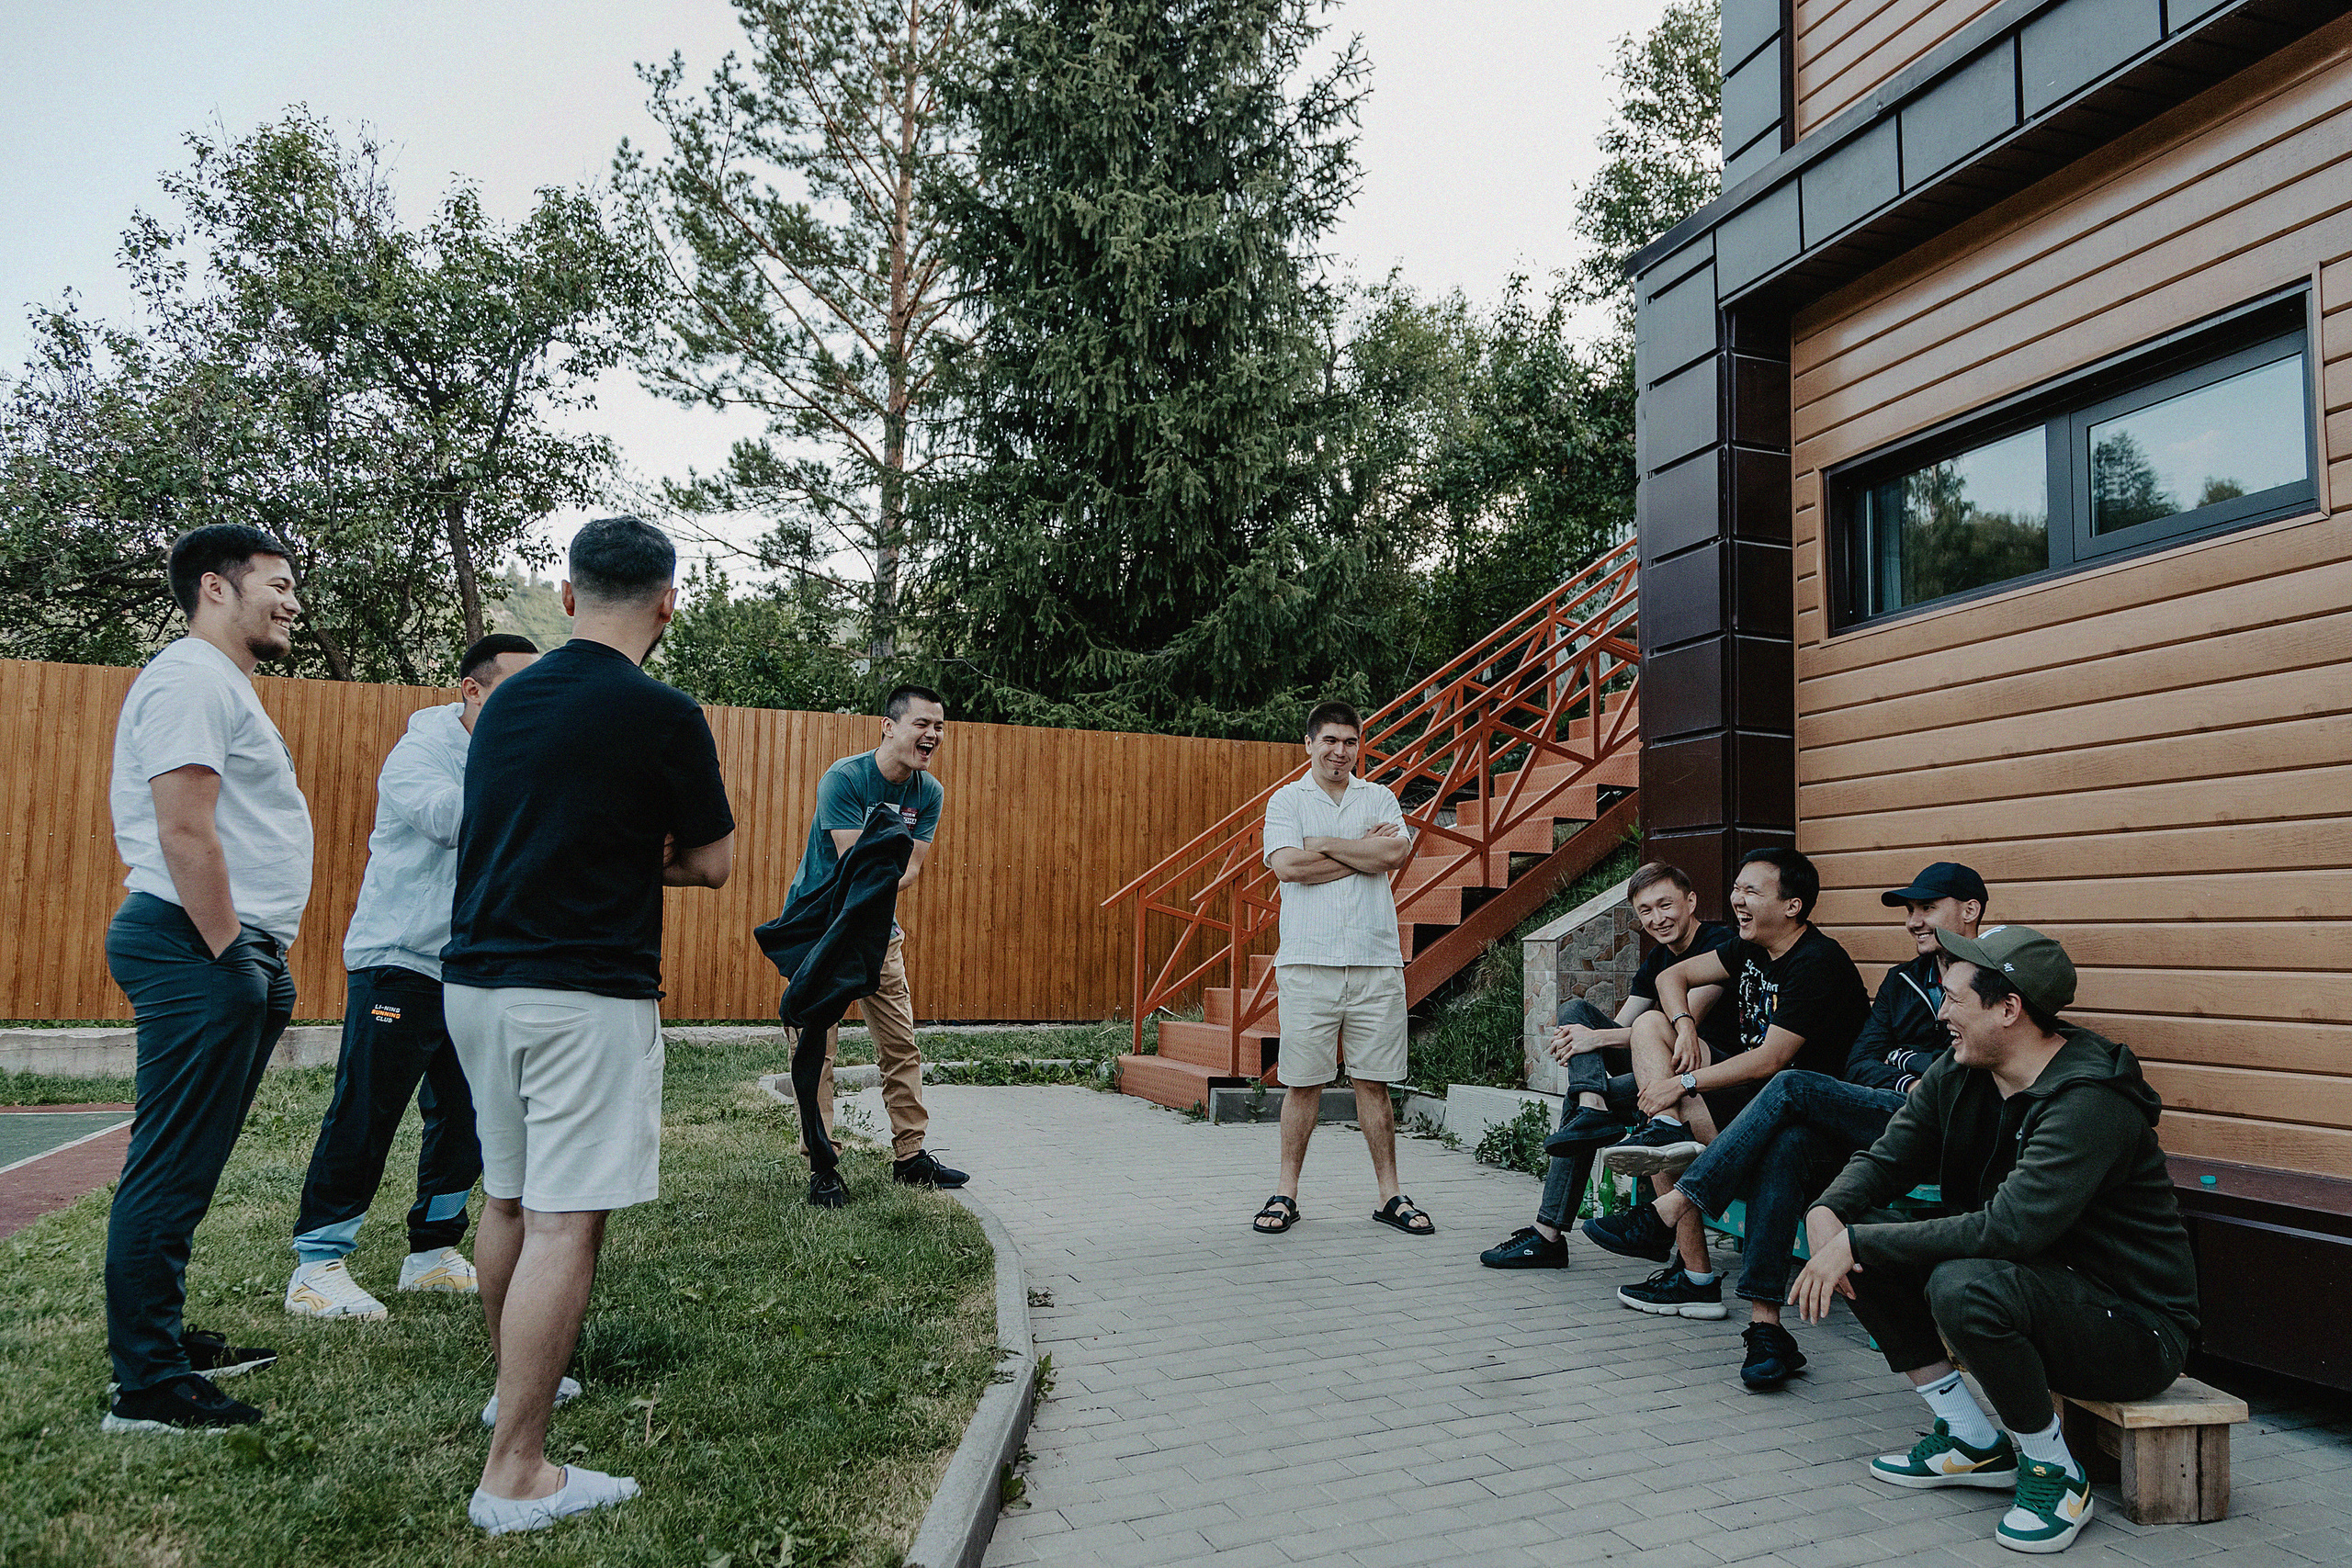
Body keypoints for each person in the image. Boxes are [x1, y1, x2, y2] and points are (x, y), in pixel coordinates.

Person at [440, 516, 735, 1534]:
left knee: (508, 1195)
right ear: (668, 604)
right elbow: (713, 864)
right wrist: (635, 857)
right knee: (567, 1221)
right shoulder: (666, 714)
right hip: (583, 993)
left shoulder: (504, 704)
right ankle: (516, 1473)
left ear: (567, 598)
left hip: (475, 982)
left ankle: (512, 1389)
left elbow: (505, 830)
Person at [1792, 925, 2198, 1555]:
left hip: (2135, 1327)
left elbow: (2010, 1228)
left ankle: (2056, 1473)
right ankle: (1971, 1438)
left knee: (1960, 1283)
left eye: (1954, 999)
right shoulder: (1963, 1071)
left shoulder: (2089, 1102)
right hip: (2040, 1283)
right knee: (1870, 1245)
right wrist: (1828, 1213)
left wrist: (1858, 1243)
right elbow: (1887, 1157)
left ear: (2008, 1009)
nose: (1940, 1013)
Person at [1581, 862, 1987, 1388]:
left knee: (1789, 1083)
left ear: (1970, 910)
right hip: (1867, 1117)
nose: (1913, 921)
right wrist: (1684, 1026)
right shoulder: (1901, 980)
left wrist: (1908, 1071)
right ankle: (1766, 1327)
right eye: (1910, 911)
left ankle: (1673, 1205)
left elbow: (1971, 1068)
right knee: (1784, 1143)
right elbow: (1863, 1060)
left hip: (1942, 1126)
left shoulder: (1995, 978)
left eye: (1926, 909)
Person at [100, 525, 312, 1433]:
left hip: (226, 947)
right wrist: (232, 953)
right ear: (217, 588)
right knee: (169, 1163)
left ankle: (162, 1337)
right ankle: (147, 1385)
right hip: (196, 944)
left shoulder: (222, 683)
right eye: (278, 582)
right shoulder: (190, 677)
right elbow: (184, 827)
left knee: (188, 1165)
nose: (293, 601)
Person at [283, 633, 540, 1320]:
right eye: (514, 686)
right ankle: (317, 1263)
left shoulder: (521, 751)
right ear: (473, 690)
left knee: (467, 1115)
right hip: (399, 961)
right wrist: (541, 797)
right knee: (368, 1109)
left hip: (476, 968)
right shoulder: (420, 752)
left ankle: (431, 1251)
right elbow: (449, 819)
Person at [1587, 846, 1870, 1320]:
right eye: (1737, 889)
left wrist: (1683, 1083)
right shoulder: (1751, 947)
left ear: (1792, 905)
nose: (1737, 899)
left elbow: (1770, 1061)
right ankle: (1666, 1134)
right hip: (1755, 1095)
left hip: (1800, 1116)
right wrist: (1684, 1025)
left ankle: (1695, 1276)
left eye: (1751, 891)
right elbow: (1671, 976)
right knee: (1650, 1031)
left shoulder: (1816, 961)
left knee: (1672, 1115)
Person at [1479, 861, 1733, 1268]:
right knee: (1575, 1013)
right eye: (1645, 911)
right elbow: (1622, 1026)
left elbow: (1678, 1025)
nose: (1657, 918)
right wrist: (1587, 1040)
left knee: (1581, 1085)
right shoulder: (1657, 960)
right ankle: (1591, 1106)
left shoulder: (1718, 945)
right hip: (1657, 1070)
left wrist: (1593, 1039)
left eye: (1665, 905)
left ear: (1690, 902)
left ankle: (1548, 1233)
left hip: (1701, 1073)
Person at [784, 684, 967, 1201]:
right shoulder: (845, 779)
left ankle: (910, 1157)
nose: (932, 735)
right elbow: (853, 863)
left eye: (939, 727)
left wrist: (883, 878)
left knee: (901, 1045)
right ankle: (822, 1166)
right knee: (816, 1050)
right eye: (922, 724)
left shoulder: (928, 793)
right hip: (821, 931)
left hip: (878, 933)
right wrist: (882, 872)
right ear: (889, 727)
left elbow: (909, 869)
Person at [1250, 701, 1426, 1237]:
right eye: (1329, 740)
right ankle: (1285, 1194)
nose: (1340, 751)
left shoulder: (1380, 797)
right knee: (1303, 1083)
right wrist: (1361, 851)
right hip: (1308, 963)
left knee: (1374, 1082)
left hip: (1375, 962)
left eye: (1350, 741)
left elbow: (1393, 856)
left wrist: (1324, 845)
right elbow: (1288, 866)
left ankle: (1391, 1196)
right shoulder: (1287, 800)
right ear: (1309, 744)